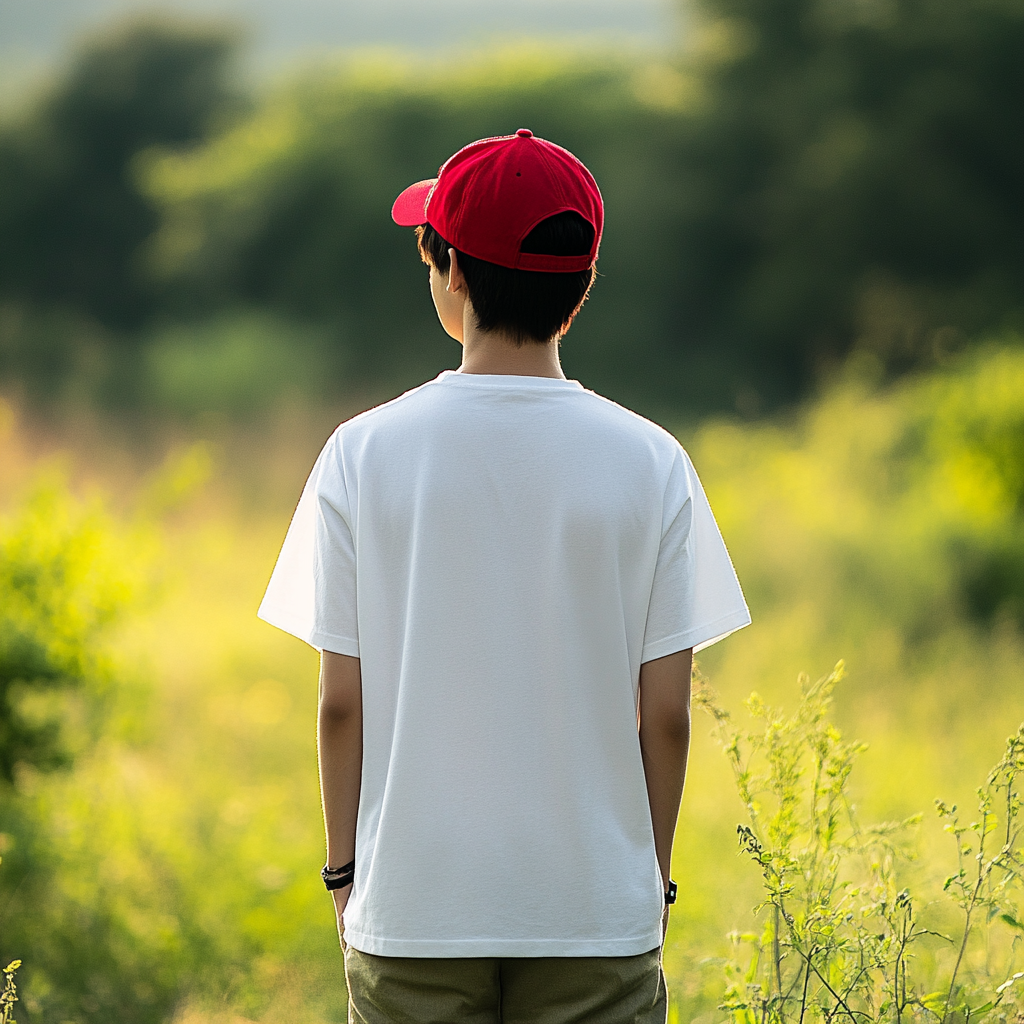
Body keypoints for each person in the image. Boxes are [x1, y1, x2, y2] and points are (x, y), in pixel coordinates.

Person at [258, 129, 750, 1024]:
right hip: (595, 914)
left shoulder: (361, 452)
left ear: (451, 275)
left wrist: (343, 879)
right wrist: (648, 885)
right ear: (582, 287)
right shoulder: (652, 459)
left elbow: (339, 704)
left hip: (414, 907)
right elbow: (669, 714)